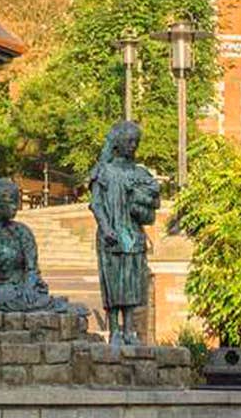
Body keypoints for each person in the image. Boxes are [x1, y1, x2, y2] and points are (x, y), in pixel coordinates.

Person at [0, 178, 87, 316]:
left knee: (30, 297)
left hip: (28, 286)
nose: (15, 207)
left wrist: (29, 287)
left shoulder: (22, 231)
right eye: (10, 202)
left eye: (16, 202)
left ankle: (51, 305)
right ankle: (56, 306)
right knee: (2, 299)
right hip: (2, 288)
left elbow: (32, 268)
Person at [87, 120, 157, 346]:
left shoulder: (140, 172)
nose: (133, 145)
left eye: (136, 141)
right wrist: (106, 228)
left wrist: (143, 200)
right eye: (129, 140)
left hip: (133, 236)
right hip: (111, 235)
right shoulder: (103, 171)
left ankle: (130, 330)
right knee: (113, 283)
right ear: (117, 142)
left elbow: (154, 200)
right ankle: (115, 329)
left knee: (132, 284)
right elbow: (96, 204)